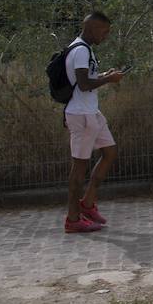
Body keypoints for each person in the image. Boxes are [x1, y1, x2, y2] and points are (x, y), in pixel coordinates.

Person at [62, 12, 125, 233]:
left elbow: (87, 79)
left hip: (91, 112)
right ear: (91, 28)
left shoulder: (85, 50)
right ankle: (73, 218)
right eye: (104, 31)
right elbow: (83, 84)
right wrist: (109, 79)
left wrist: (104, 74)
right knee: (79, 166)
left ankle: (87, 204)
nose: (105, 36)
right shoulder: (80, 50)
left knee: (110, 152)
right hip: (82, 115)